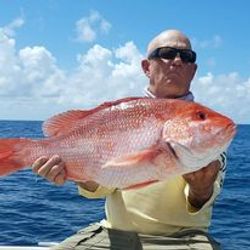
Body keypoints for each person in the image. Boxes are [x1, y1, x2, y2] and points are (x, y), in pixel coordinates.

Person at [32, 29, 227, 250]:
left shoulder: (207, 127)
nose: (177, 61)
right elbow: (103, 186)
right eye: (167, 53)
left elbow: (203, 199)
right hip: (112, 233)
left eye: (187, 56)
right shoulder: (120, 115)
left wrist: (202, 189)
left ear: (193, 70)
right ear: (146, 67)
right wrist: (73, 171)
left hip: (183, 238)